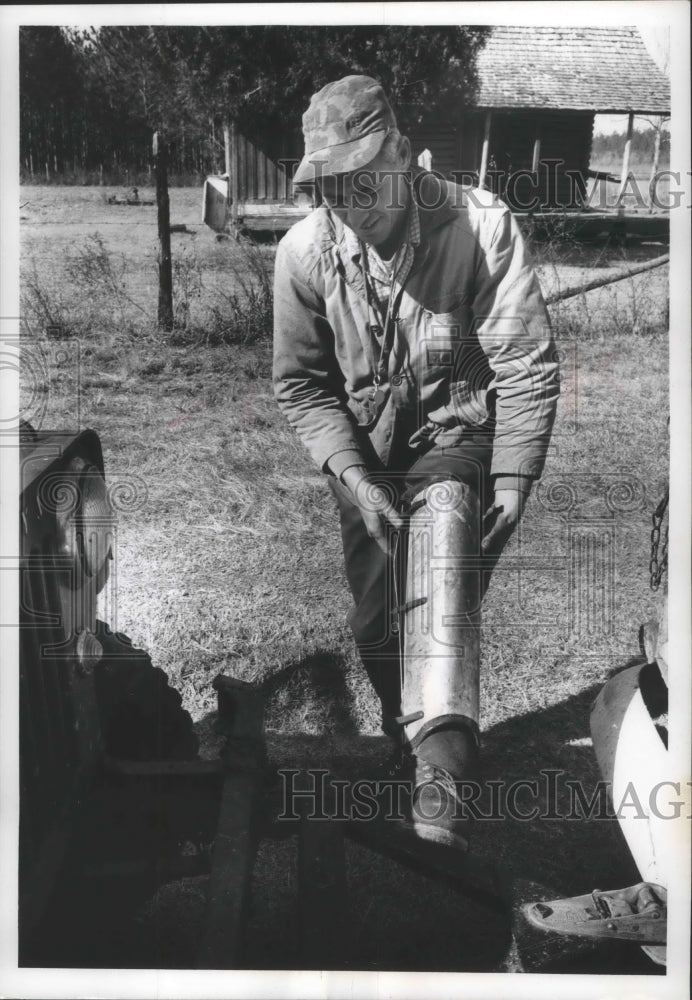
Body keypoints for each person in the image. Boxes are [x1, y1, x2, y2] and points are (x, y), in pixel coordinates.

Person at [273, 75, 559, 850]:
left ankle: (443, 781)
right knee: (376, 620)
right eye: (329, 186)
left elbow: (525, 362)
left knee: (435, 569)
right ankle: (417, 742)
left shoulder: (480, 224)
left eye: (362, 177)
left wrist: (512, 479)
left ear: (401, 150)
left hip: (453, 430)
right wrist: (354, 475)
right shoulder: (303, 252)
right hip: (365, 453)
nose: (347, 200)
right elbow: (302, 384)